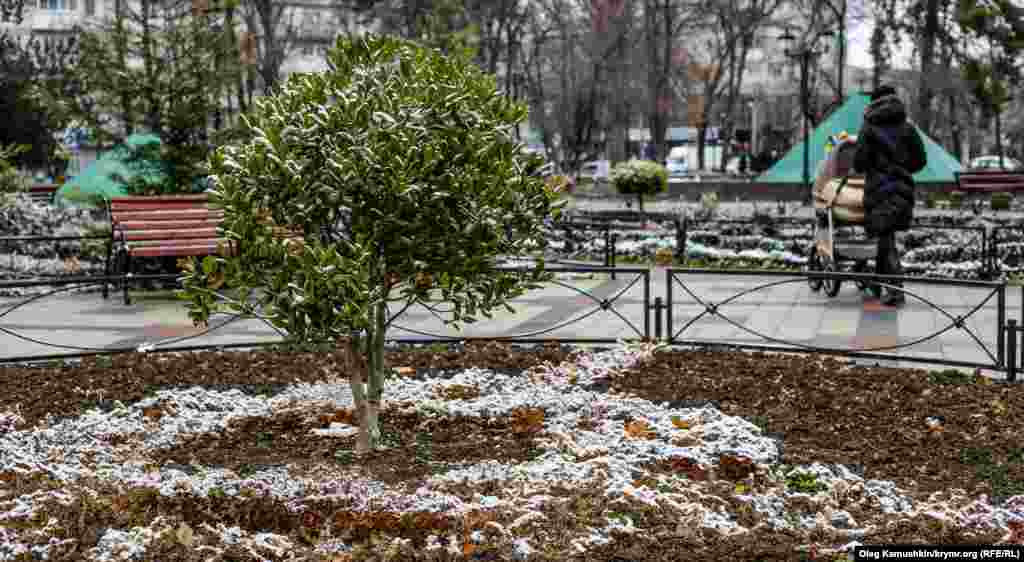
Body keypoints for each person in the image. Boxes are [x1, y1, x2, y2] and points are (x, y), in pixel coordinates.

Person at [853, 85, 927, 306]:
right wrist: (902, 170)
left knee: (885, 239)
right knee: (886, 237)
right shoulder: (908, 127)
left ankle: (896, 291)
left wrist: (876, 168)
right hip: (902, 190)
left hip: (879, 190)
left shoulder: (868, 128)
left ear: (874, 103)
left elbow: (859, 163)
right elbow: (920, 160)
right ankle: (878, 283)